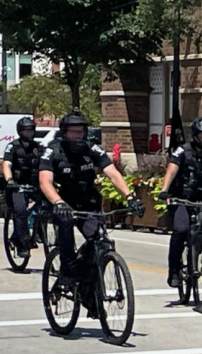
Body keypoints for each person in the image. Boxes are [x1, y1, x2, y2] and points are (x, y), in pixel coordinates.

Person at [39, 109, 144, 289]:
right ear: (64, 132)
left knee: (101, 242)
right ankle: (68, 274)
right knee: (65, 234)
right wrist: (58, 202)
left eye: (81, 131)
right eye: (74, 131)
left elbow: (112, 173)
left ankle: (91, 287)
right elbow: (44, 181)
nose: (78, 136)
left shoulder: (92, 149)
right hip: (63, 203)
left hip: (87, 202)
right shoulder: (53, 151)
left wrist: (130, 197)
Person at [158, 116, 202, 289]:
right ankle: (175, 270)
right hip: (182, 199)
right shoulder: (182, 151)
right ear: (195, 136)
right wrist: (164, 190)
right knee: (181, 229)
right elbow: (172, 169)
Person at [2, 117, 42, 258]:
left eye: (31, 130)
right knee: (20, 211)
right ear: (20, 131)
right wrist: (10, 180)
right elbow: (6, 164)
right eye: (26, 130)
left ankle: (40, 233)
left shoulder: (37, 147)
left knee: (48, 205)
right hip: (16, 186)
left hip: (33, 185)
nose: (29, 133)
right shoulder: (12, 146)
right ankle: (21, 244)